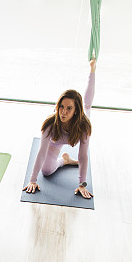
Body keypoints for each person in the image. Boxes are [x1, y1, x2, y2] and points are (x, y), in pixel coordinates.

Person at [23, 59, 96, 199]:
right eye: (61, 107)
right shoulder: (49, 125)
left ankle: (92, 70)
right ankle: (65, 160)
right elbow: (41, 153)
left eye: (69, 108)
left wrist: (82, 184)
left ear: (75, 111)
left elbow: (83, 156)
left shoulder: (84, 126)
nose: (63, 112)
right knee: (46, 171)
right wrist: (32, 180)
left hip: (77, 125)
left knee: (87, 105)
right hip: (56, 141)